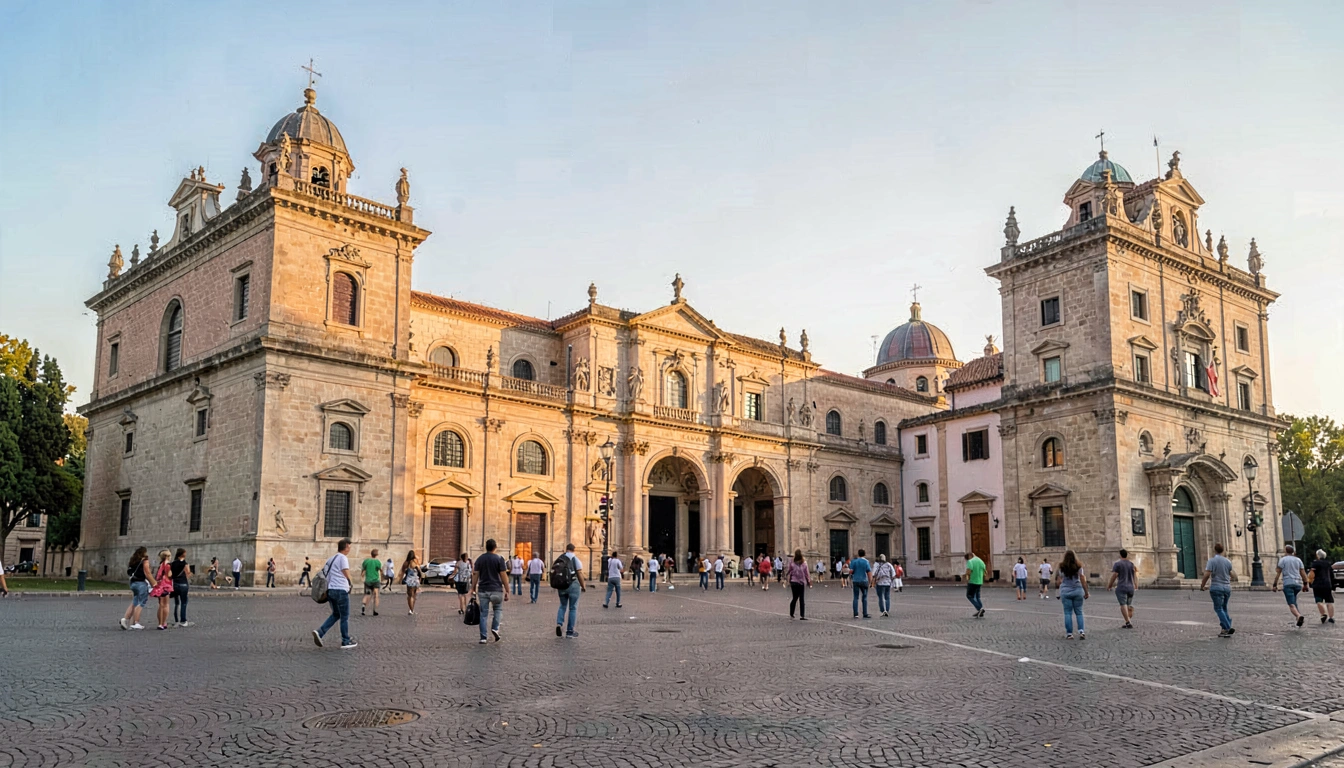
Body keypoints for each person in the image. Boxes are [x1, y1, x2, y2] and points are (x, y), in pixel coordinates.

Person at [312, 538, 356, 649]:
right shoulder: (343, 558)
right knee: (344, 616)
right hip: (341, 590)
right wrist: (351, 582)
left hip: (331, 590)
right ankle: (345, 641)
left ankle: (320, 633)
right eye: (349, 547)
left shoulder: (330, 559)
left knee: (336, 614)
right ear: (346, 547)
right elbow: (346, 572)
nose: (350, 549)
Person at [471, 539, 509, 643]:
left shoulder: (480, 559)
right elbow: (503, 575)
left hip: (483, 590)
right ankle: (495, 628)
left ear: (486, 547)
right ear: (495, 547)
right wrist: (507, 590)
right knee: (498, 610)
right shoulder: (499, 559)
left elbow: (475, 574)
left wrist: (473, 587)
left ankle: (483, 637)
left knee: (483, 614)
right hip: (496, 589)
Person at [1199, 542, 1235, 637]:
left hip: (1216, 587)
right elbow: (1232, 575)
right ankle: (1224, 629)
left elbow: (1207, 574)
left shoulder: (1212, 561)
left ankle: (1227, 627)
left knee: (1218, 608)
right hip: (1227, 588)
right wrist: (1226, 580)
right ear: (1223, 551)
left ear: (1214, 550)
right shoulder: (1228, 561)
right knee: (1224, 608)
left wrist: (1202, 585)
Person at [1272, 544, 1309, 628]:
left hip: (1288, 583)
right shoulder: (1298, 560)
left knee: (1291, 604)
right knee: (1294, 601)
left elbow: (1278, 573)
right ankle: (1299, 619)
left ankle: (1298, 616)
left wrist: (1274, 585)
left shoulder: (1283, 560)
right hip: (1297, 584)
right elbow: (1303, 573)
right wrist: (1305, 584)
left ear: (1286, 551)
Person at [1054, 550, 1089, 639]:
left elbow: (1058, 582)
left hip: (1065, 591)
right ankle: (1081, 631)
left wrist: (1057, 592)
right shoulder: (1079, 567)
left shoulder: (1061, 567)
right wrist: (1086, 592)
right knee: (1079, 612)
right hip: (1077, 590)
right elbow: (1082, 580)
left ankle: (1069, 633)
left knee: (1067, 613)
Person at [555, 543, 587, 638]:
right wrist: (583, 585)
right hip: (573, 585)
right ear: (574, 549)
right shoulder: (575, 559)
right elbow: (579, 573)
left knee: (562, 606)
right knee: (573, 608)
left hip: (561, 585)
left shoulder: (560, 558)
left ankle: (559, 623)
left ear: (566, 549)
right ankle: (570, 631)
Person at [121, 547, 153, 630]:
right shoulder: (144, 560)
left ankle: (125, 619)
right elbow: (147, 573)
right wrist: (154, 583)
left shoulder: (133, 561)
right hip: (141, 583)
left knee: (134, 602)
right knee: (141, 603)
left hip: (133, 583)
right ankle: (136, 622)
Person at [1106, 549, 1137, 629]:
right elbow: (1134, 575)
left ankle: (1128, 622)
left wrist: (1110, 585)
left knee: (1123, 604)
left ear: (1120, 555)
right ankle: (1128, 620)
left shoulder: (1118, 564)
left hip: (1122, 586)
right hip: (1131, 587)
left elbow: (1115, 575)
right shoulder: (1131, 564)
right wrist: (1135, 585)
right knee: (1128, 605)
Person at [1308, 548, 1336, 625]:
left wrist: (1310, 582)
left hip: (1318, 584)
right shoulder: (1328, 563)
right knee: (1329, 601)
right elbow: (1331, 575)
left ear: (1317, 555)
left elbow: (1312, 574)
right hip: (1327, 584)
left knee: (1318, 600)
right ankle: (1331, 617)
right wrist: (1333, 585)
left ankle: (1323, 613)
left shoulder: (1315, 563)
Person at [149, 550, 175, 630]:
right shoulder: (169, 565)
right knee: (166, 605)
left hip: (160, 585)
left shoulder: (161, 564)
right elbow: (170, 575)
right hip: (166, 585)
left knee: (161, 605)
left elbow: (158, 576)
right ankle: (164, 622)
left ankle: (160, 623)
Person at [170, 548, 193, 628]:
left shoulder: (173, 563)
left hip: (175, 584)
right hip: (183, 584)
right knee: (184, 602)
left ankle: (176, 620)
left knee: (177, 603)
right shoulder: (185, 564)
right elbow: (187, 574)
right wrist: (190, 573)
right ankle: (183, 620)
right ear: (183, 554)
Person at [787, 549, 811, 619]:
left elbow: (789, 571)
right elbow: (807, 573)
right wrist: (809, 581)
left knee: (794, 598)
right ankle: (802, 615)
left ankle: (791, 613)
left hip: (793, 582)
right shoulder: (804, 563)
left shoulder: (792, 562)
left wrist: (788, 578)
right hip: (801, 582)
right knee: (801, 599)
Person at [850, 549, 873, 619]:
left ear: (858, 554)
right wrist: (870, 581)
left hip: (856, 580)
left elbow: (851, 571)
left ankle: (855, 614)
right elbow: (869, 572)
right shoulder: (866, 562)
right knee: (864, 597)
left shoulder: (854, 561)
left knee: (855, 597)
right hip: (864, 581)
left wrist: (851, 577)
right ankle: (865, 613)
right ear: (864, 554)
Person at [963, 552, 987, 619]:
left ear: (969, 557)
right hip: (980, 581)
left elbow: (969, 571)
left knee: (969, 596)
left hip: (973, 581)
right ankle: (980, 611)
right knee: (977, 596)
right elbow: (985, 570)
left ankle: (980, 608)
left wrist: (966, 578)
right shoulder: (980, 560)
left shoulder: (970, 561)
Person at [361, 548, 382, 616]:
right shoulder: (377, 562)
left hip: (368, 580)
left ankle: (363, 606)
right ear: (377, 555)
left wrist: (362, 576)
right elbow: (380, 570)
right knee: (376, 595)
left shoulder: (366, 561)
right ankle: (375, 610)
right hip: (375, 580)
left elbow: (363, 571)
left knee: (367, 594)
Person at [401, 550, 420, 615]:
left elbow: (402, 570)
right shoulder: (414, 562)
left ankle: (411, 610)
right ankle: (412, 610)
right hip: (415, 580)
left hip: (409, 580)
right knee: (414, 596)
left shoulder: (406, 563)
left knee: (410, 596)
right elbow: (419, 570)